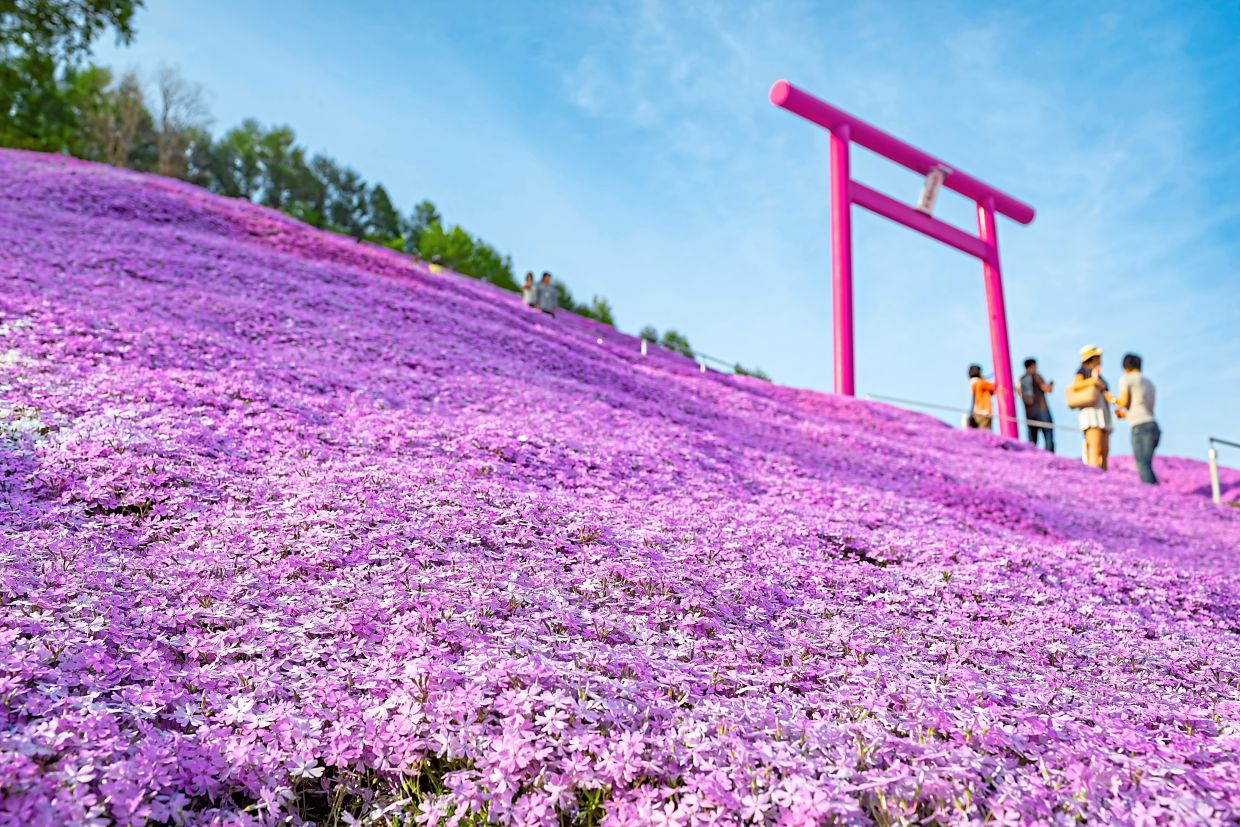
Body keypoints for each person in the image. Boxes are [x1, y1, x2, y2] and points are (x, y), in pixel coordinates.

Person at [1068, 345, 1120, 470]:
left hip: (1102, 413)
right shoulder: (1083, 371)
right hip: (1091, 414)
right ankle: (1095, 474)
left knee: (1104, 450)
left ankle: (1104, 474)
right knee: (1095, 448)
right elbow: (1076, 385)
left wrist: (1116, 402)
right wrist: (1094, 380)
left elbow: (1106, 394)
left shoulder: (1099, 376)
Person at [1116, 352, 1159, 484]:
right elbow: (1144, 407)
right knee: (1147, 464)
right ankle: (1157, 492)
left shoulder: (1126, 379)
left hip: (1139, 427)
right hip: (1153, 425)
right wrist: (1126, 415)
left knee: (1142, 464)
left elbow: (1123, 403)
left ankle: (1152, 493)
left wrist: (1111, 399)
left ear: (1125, 367)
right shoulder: (1149, 383)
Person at [1020, 358, 1055, 452]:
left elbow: (1019, 393)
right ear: (1032, 366)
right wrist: (1051, 385)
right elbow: (1047, 389)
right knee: (1048, 435)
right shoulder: (1036, 376)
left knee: (1032, 440)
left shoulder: (1021, 379)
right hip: (1042, 409)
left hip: (1029, 413)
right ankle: (1049, 455)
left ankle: (1032, 456)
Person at [967, 364, 995, 430]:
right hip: (984, 413)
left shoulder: (973, 383)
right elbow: (995, 387)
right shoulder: (981, 383)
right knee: (986, 432)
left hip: (977, 413)